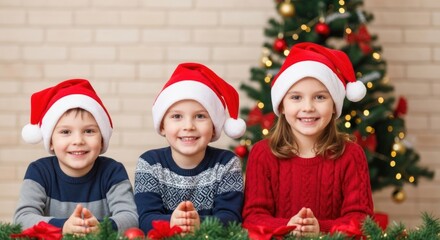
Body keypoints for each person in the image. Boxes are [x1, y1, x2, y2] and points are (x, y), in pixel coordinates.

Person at [242, 42, 374, 237]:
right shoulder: (262, 153)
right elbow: (253, 217)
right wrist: (289, 225)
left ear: (335, 106)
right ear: (281, 107)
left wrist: (320, 228)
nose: (308, 107)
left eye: (320, 97)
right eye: (296, 98)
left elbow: (361, 219)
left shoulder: (351, 155)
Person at [14, 79, 138, 235]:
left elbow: (130, 217)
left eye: (89, 131)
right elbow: (22, 218)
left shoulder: (112, 171)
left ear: (102, 139)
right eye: (65, 132)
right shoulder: (39, 171)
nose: (78, 141)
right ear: (51, 141)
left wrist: (100, 227)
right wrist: (63, 226)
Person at [134, 62, 246, 234]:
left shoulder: (227, 164)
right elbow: (145, 219)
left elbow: (231, 218)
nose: (188, 126)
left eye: (200, 116)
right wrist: (172, 222)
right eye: (177, 116)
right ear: (162, 126)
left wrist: (198, 223)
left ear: (214, 126)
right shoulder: (149, 164)